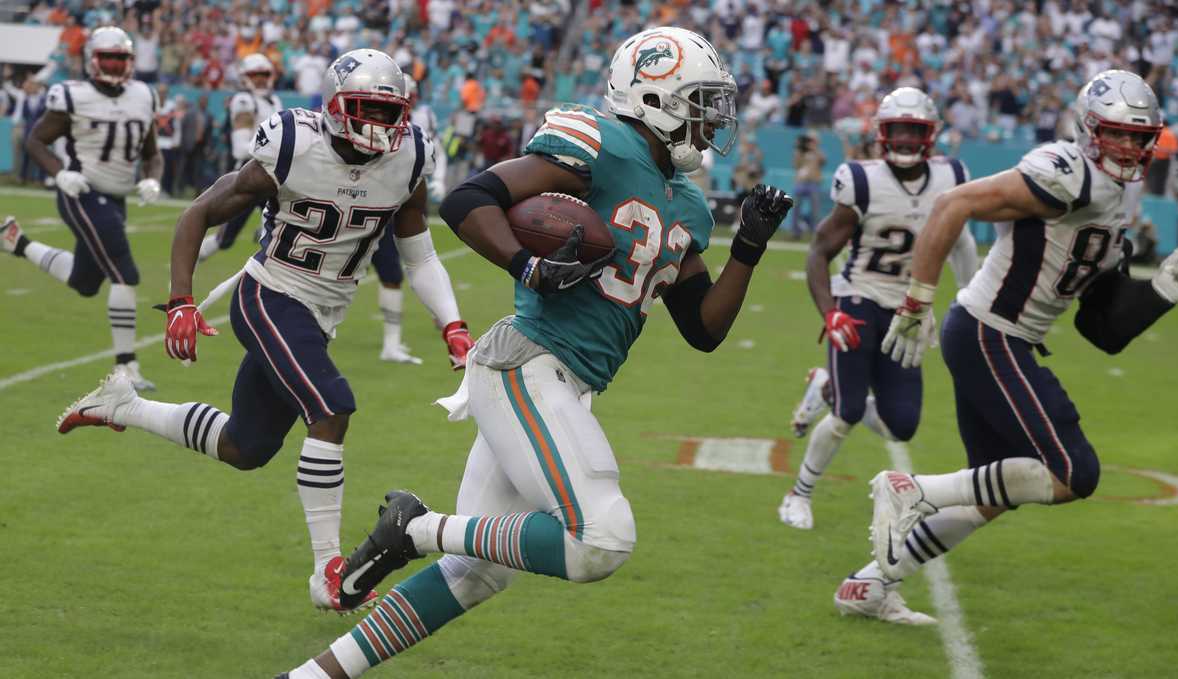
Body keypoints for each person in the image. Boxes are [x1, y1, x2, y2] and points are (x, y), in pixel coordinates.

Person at [278, 27, 791, 678]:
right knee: (602, 538)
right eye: (700, 102)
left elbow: (703, 327)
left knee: (475, 573)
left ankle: (312, 674)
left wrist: (748, 246)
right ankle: (413, 527)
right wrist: (528, 267)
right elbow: (470, 199)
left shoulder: (687, 201)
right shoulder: (601, 141)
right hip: (527, 363)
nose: (711, 119)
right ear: (655, 96)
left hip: (562, 383)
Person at [52, 49, 473, 612]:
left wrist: (453, 325)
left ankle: (122, 406)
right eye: (365, 109)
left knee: (244, 447)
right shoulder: (294, 145)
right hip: (269, 293)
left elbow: (419, 257)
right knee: (331, 408)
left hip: (322, 313)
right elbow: (196, 213)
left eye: (387, 111)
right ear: (335, 106)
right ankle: (329, 572)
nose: (377, 124)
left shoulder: (411, 156)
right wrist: (180, 300)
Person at [859, 70, 1178, 623]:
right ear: (1090, 130)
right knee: (1074, 473)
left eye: (1141, 137)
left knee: (991, 495)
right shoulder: (1068, 174)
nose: (1132, 147)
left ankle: (871, 583)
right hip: (991, 334)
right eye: (1120, 133)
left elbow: (1102, 331)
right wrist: (916, 301)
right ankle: (909, 488)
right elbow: (951, 205)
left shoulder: (1111, 201)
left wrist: (1159, 294)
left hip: (996, 338)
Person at [779, 89, 978, 545]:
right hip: (859, 300)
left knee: (900, 425)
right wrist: (830, 314)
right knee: (848, 413)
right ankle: (799, 493)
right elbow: (819, 252)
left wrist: (970, 300)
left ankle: (823, 387)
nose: (907, 139)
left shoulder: (952, 177)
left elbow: (962, 243)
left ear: (931, 136)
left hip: (909, 311)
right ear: (882, 134)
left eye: (916, 130)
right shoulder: (861, 181)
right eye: (899, 130)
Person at [1, 27, 162, 390]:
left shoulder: (143, 95)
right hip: (82, 190)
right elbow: (36, 140)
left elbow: (153, 154)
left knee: (86, 282)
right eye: (109, 58)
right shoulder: (72, 95)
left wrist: (152, 179)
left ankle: (17, 243)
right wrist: (60, 175)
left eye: (121, 58)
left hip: (116, 196)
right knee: (125, 272)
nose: (116, 65)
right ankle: (126, 367)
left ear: (131, 61)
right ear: (92, 59)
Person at [370, 73, 460, 365]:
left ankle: (396, 341)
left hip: (402, 197)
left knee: (409, 263)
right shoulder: (374, 122)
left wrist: (436, 179)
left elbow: (435, 151)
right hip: (371, 199)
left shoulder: (421, 124)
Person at [197, 53, 283, 261]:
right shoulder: (244, 100)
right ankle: (190, 256)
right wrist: (275, 149)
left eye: (264, 74)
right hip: (249, 173)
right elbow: (240, 149)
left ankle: (266, 231)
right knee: (224, 240)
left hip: (272, 173)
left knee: (282, 227)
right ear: (245, 77)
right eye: (255, 74)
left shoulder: (274, 100)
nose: (261, 79)